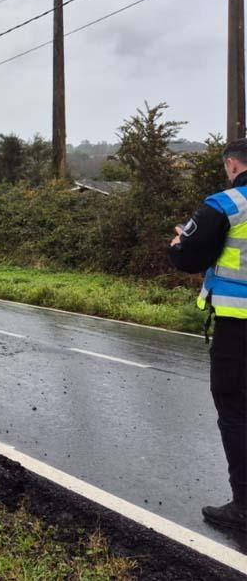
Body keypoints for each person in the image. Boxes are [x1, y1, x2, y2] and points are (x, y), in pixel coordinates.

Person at [169, 138, 247, 530]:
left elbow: (190, 256)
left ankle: (244, 507)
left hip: (238, 326)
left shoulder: (226, 203)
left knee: (235, 408)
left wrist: (178, 243)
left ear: (233, 165)